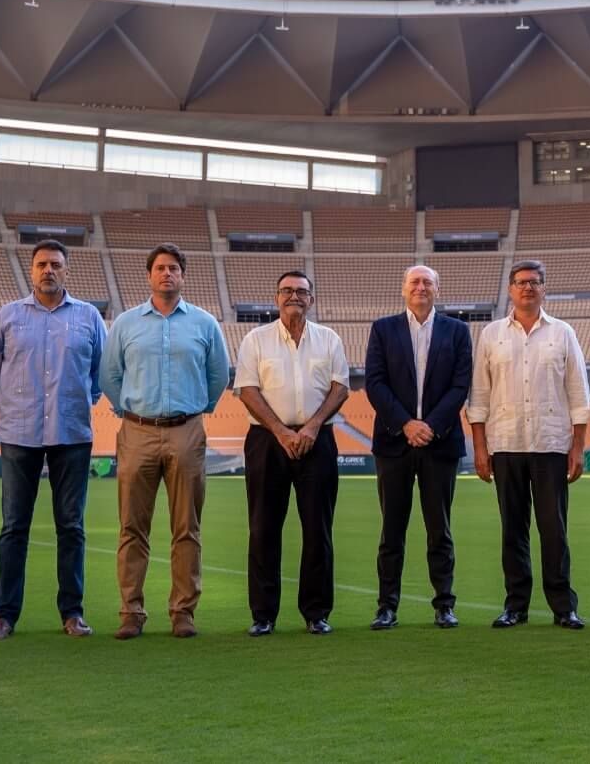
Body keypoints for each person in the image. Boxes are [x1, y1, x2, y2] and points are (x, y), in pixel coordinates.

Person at [100, 242, 229, 640]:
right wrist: (130, 410)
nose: (166, 274)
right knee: (132, 527)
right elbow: (109, 376)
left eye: (173, 268)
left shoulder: (205, 323)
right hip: (137, 430)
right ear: (149, 275)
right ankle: (131, 612)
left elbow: (218, 375)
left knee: (186, 526)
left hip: (186, 430)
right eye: (159, 268)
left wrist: (196, 408)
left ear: (183, 276)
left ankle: (183, 611)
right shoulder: (126, 323)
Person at [0, 239, 107, 640]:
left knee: (71, 526)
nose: (48, 270)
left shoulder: (88, 317)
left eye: (55, 264)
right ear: (31, 270)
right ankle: (5, 615)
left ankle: (72, 612)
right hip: (20, 434)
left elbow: (99, 377)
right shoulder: (8, 317)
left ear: (66, 270)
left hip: (71, 433)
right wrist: (16, 408)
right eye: (41, 264)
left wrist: (76, 403)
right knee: (14, 526)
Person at [468, 259, 590, 630]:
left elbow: (578, 392)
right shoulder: (491, 335)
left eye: (535, 282)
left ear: (543, 288)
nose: (528, 288)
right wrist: (479, 448)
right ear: (510, 289)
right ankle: (515, 604)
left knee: (554, 530)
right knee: (513, 529)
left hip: (551, 444)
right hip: (505, 444)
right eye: (521, 282)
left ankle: (562, 605)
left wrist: (578, 446)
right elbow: (479, 395)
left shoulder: (563, 332)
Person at [233, 270, 349, 636]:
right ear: (276, 297)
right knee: (264, 528)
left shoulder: (328, 339)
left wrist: (312, 426)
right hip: (267, 441)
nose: (293, 296)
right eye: (286, 291)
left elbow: (340, 388)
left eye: (301, 291)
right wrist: (282, 431)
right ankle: (263, 614)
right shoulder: (256, 340)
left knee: (318, 529)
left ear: (311, 299)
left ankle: (316, 613)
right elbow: (248, 391)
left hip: (318, 440)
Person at [365, 264, 472, 630]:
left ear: (437, 289)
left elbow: (461, 385)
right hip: (394, 443)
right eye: (415, 282)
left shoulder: (457, 331)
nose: (421, 287)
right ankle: (386, 606)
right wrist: (406, 424)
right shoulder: (383, 329)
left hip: (439, 444)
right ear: (403, 289)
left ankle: (444, 604)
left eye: (428, 282)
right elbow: (375, 383)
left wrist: (431, 426)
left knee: (439, 528)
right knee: (391, 530)